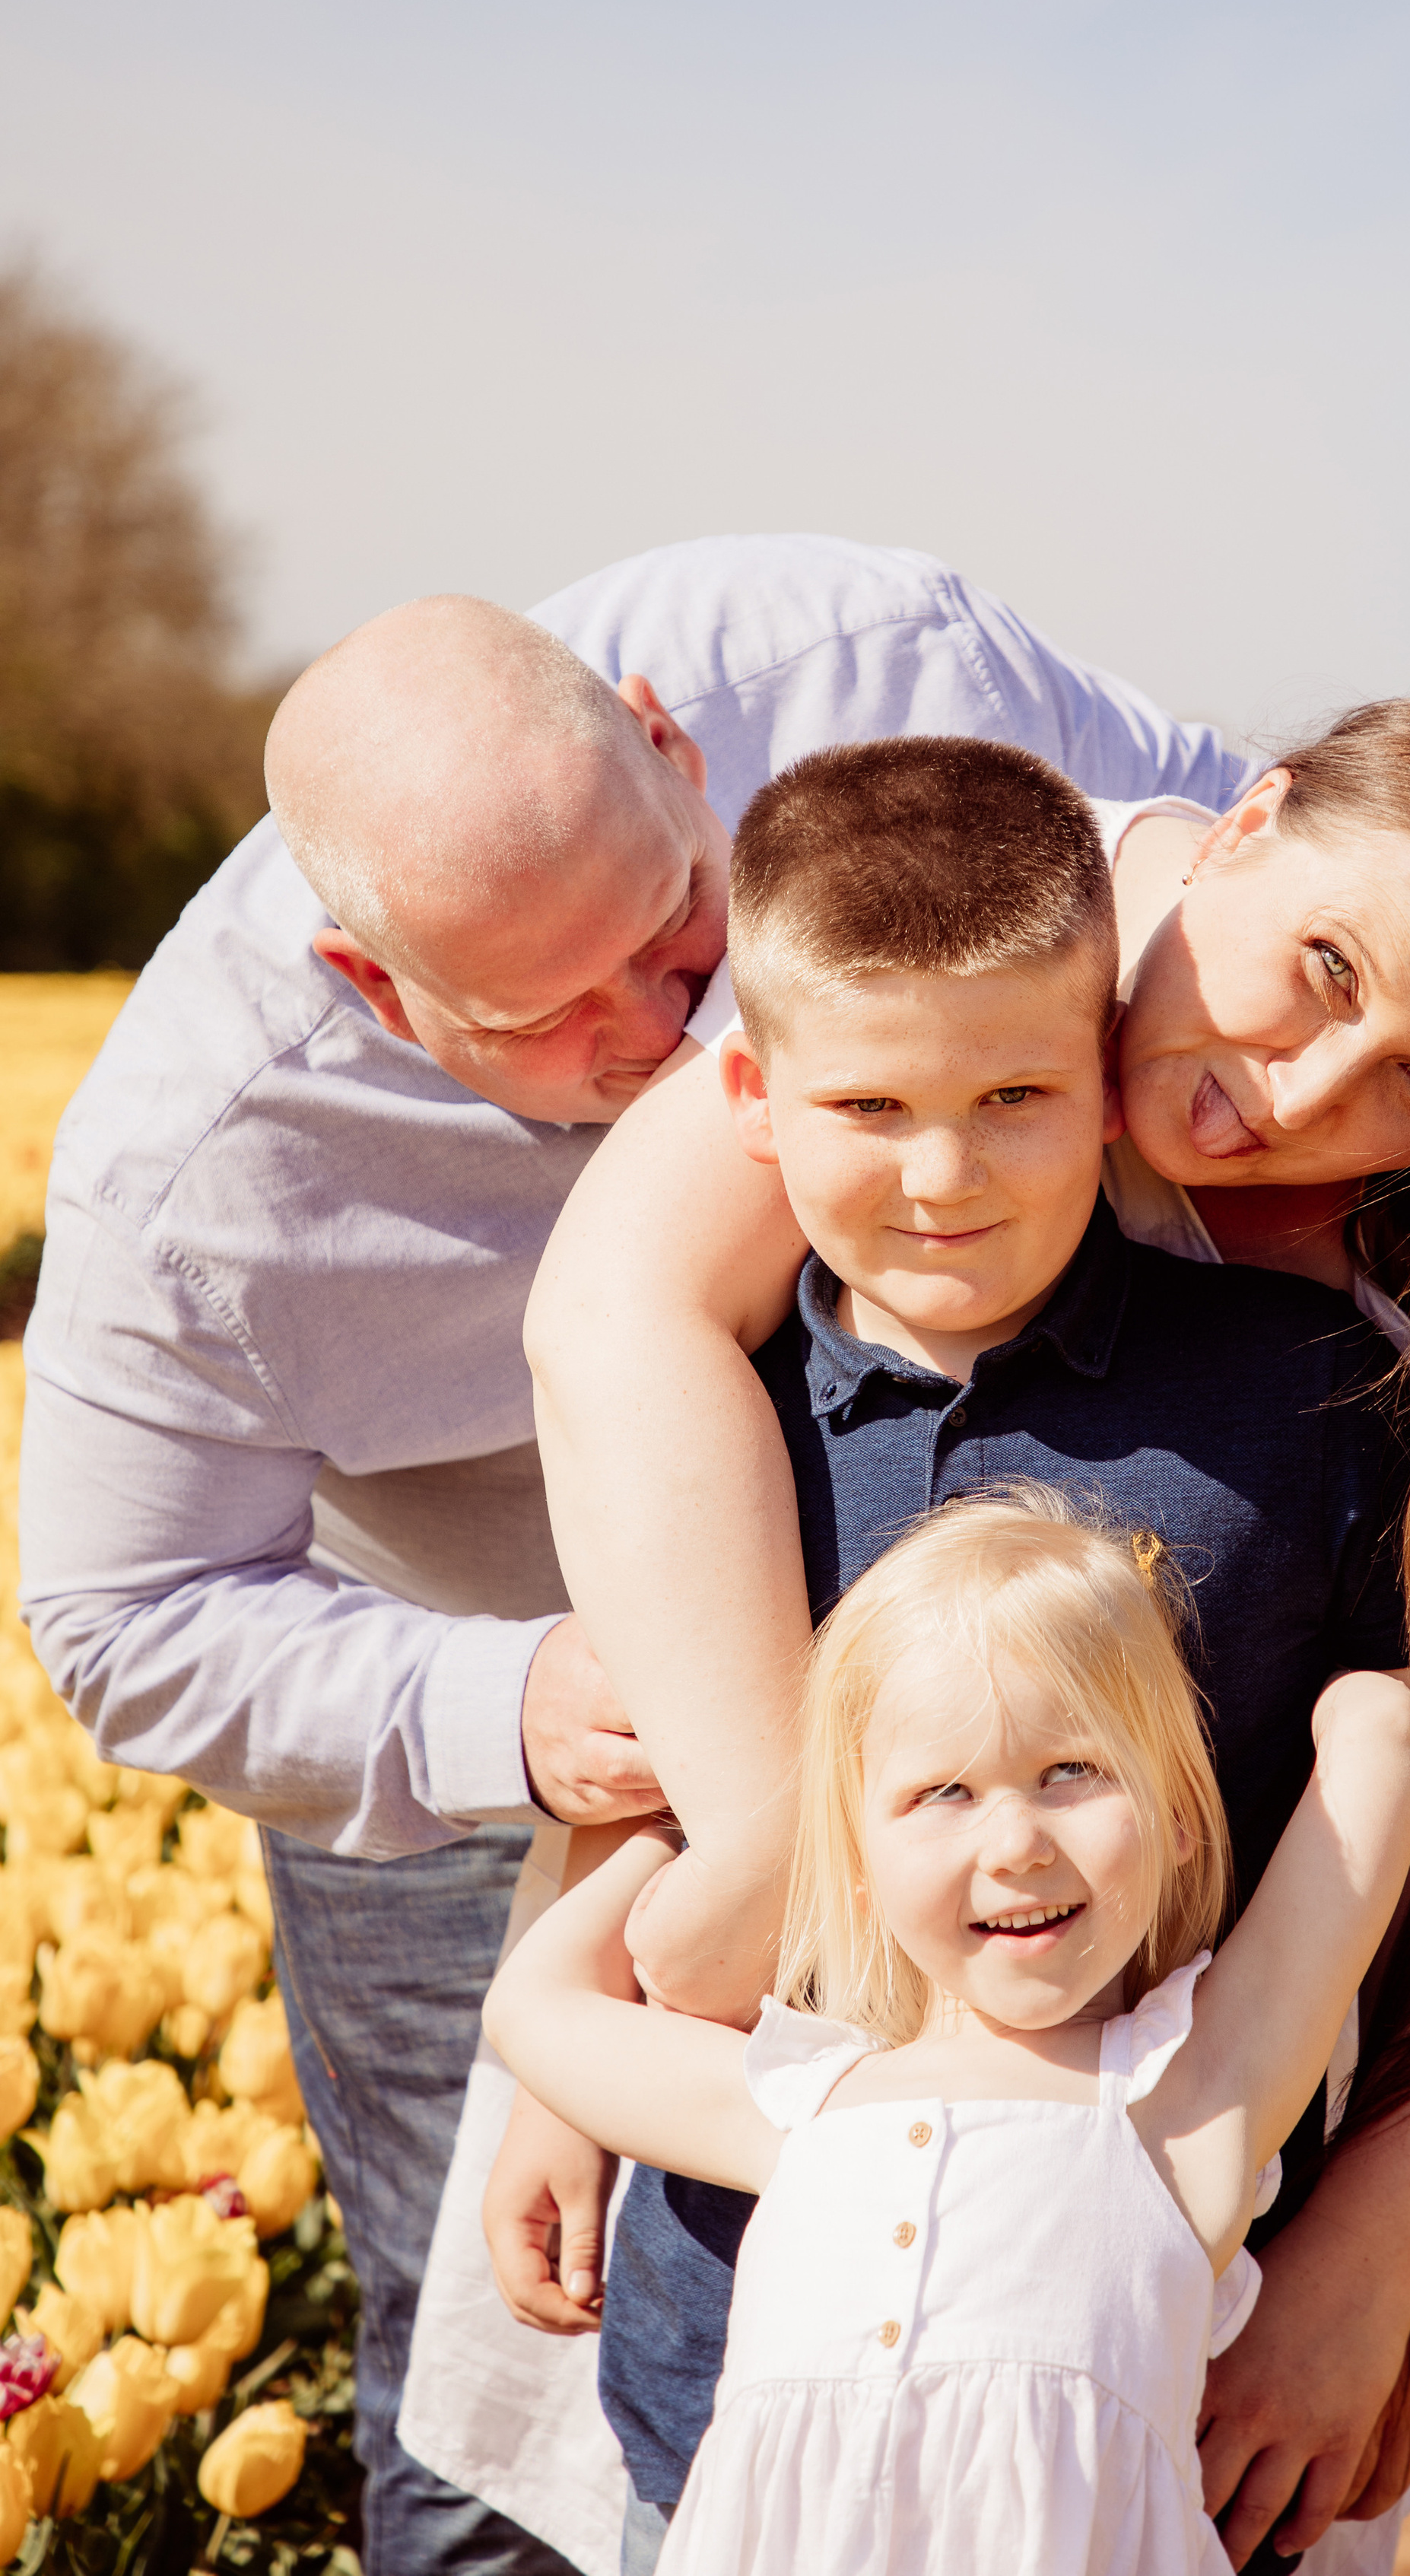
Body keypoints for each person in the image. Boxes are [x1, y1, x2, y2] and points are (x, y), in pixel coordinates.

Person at [17, 533, 1243, 2576]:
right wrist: (516, 1703)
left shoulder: (866, 664)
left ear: (678, 746)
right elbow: (125, 1620)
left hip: (985, 1658)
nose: (675, 1032)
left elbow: (1226, 880)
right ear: (370, 991)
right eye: (547, 1017)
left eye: (679, 923)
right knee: (502, 2365)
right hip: (506, 1720)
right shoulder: (196, 1182)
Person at [517, 687, 1410, 2568]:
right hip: (783, 2308)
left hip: (1151, 2292)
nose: (1302, 1102)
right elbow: (621, 1372)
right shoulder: (952, 960)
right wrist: (693, 1927)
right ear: (1242, 827)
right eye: (1320, 969)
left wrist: (1383, 2259)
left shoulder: (1372, 1347)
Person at [487, 1490, 1410, 2576]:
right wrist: (720, 1829)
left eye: (1073, 1772)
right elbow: (537, 2007)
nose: (1016, 1844)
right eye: (942, 1792)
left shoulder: (1189, 2105)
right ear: (850, 1854)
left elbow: (1386, 1735)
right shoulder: (800, 2104)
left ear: (1181, 1816)